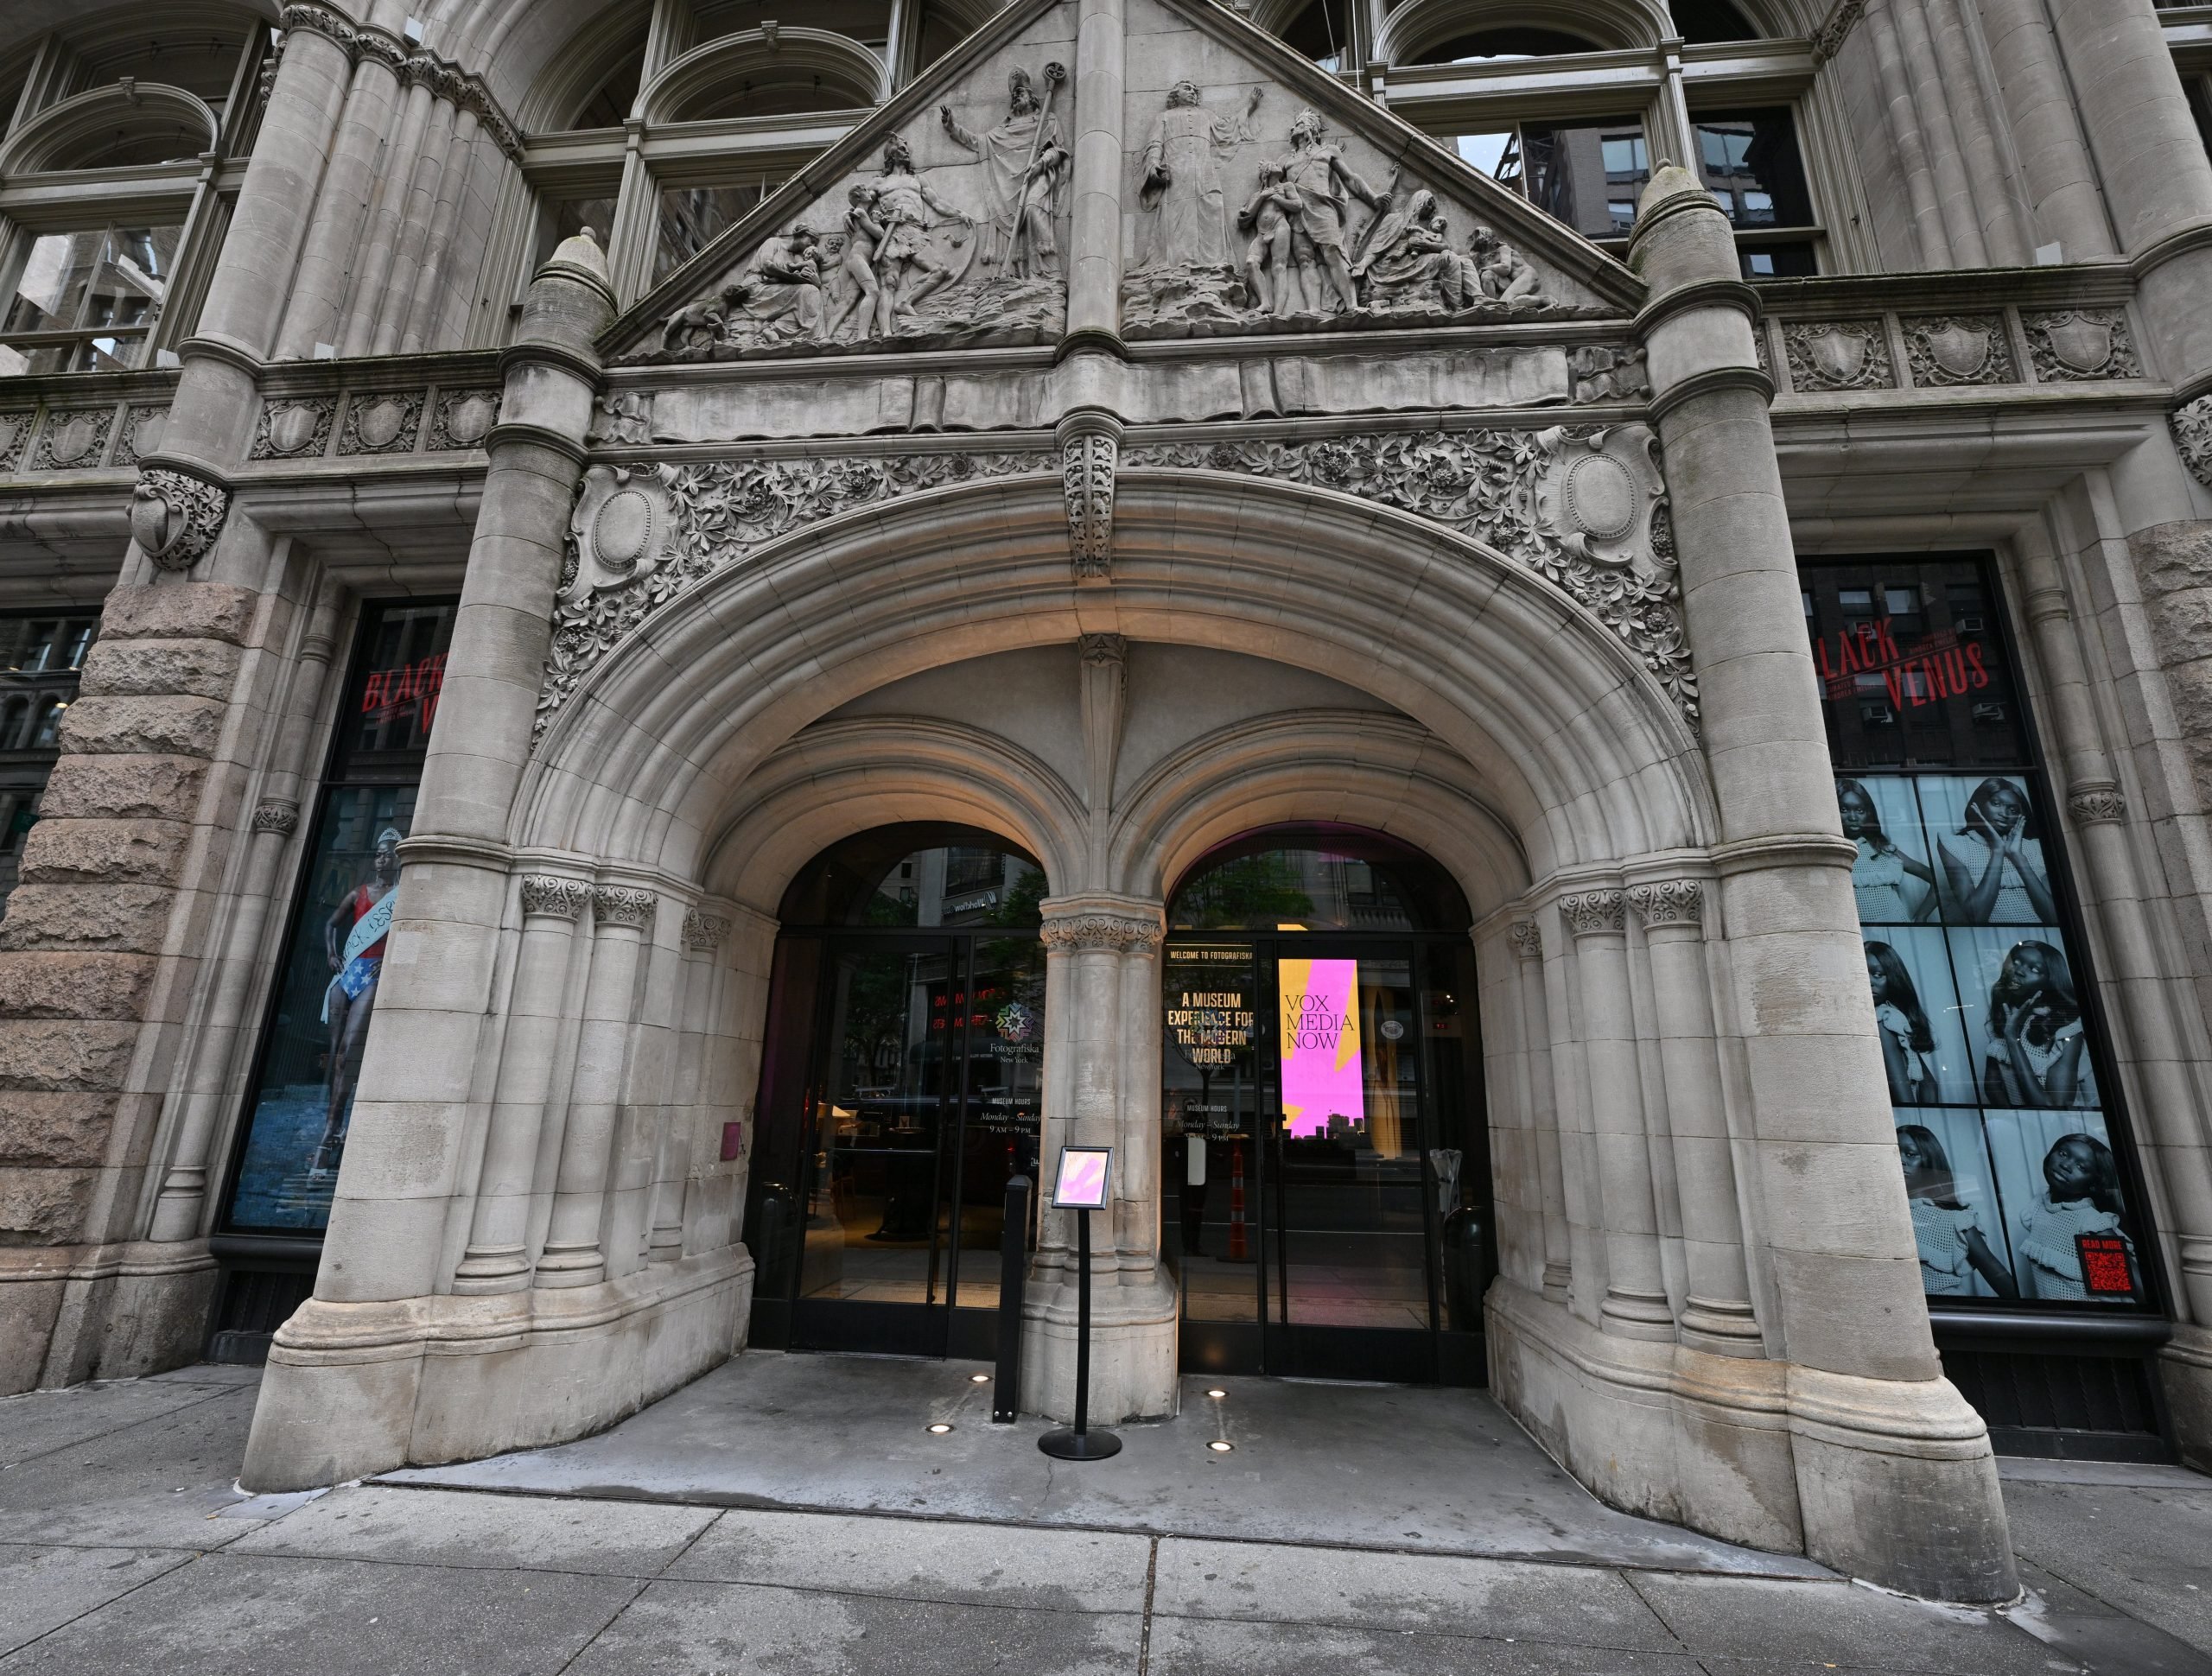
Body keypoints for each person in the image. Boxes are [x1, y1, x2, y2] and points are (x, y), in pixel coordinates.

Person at [315, 827, 402, 1171]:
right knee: (335, 1051)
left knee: (349, 1051)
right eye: (379, 853)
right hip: (349, 971)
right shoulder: (358, 892)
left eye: (389, 854)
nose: (383, 859)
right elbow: (330, 925)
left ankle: (336, 1125)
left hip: (373, 974)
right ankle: (330, 1122)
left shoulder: (401, 895)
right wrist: (331, 955)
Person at [940, 67, 1069, 278]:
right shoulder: (1004, 130)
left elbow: (1058, 150)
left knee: (1033, 208)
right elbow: (978, 141)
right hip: (1009, 185)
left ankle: (1048, 273)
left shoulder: (1048, 120)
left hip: (1038, 174)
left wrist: (1041, 164)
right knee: (1013, 218)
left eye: (1021, 93)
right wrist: (953, 128)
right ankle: (1018, 275)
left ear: (1032, 97)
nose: (1017, 97)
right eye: (1014, 95)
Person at [1269, 109, 1385, 313]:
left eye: (1298, 125)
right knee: (1305, 259)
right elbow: (1271, 186)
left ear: (1310, 128)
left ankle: (1352, 305)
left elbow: (1350, 178)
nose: (1292, 129)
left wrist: (1373, 198)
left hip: (1323, 207)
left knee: (1333, 253)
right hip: (1297, 211)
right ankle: (1313, 309)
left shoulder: (1328, 151)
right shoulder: (1284, 160)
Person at [869, 134, 973, 335]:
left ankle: (906, 302)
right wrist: (851, 213)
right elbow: (861, 202)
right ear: (891, 154)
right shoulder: (879, 182)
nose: (906, 152)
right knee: (889, 283)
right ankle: (886, 334)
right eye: (901, 149)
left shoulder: (918, 180)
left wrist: (959, 213)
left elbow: (937, 203)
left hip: (915, 230)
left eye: (907, 149)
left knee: (940, 269)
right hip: (891, 231)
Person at [1897, 1125, 2017, 1297]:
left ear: (1929, 1160)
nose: (1900, 1160)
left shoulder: (1956, 1221)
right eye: (1894, 1151)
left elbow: (2004, 1283)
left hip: (1946, 1318)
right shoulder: (1880, 1214)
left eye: (1910, 1154)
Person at [2012, 1133, 2134, 1300]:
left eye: (2082, 1167)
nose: (2066, 1165)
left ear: (2094, 1183)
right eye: (2063, 1154)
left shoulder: (2091, 1225)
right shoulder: (2039, 1208)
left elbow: (2120, 1298)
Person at [1981, 939, 2093, 1108]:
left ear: (2050, 981)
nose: (2019, 971)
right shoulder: (2003, 1014)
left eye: (2034, 969)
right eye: (2016, 962)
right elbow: (1993, 1086)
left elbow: (2055, 1106)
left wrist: (2013, 1039)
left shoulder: (2065, 1029)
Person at [1938, 776, 2056, 924]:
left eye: (2012, 810)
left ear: (2021, 816)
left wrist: (2018, 857)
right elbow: (1977, 917)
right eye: (1996, 804)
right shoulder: (1955, 845)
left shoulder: (2034, 847)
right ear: (1978, 804)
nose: (2004, 813)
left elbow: (2053, 918)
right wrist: (1998, 852)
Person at [1838, 778, 1936, 923]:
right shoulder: (1832, 851)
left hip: (1897, 927)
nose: (1853, 817)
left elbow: (1938, 880)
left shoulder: (1884, 851)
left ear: (1868, 813)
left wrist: (1921, 917)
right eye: (1844, 810)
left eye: (1860, 810)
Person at [1866, 940, 1940, 1104]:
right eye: (1861, 974)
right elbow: (1930, 1085)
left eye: (1878, 975)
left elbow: (1905, 1097)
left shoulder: (1883, 1019)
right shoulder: (1894, 1016)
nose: (1869, 982)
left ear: (1893, 978)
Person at [1236, 161, 1306, 315]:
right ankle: (1265, 303)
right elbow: (1246, 218)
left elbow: (1297, 204)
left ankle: (1278, 312)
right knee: (1251, 262)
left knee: (1279, 267)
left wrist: (1277, 198)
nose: (1277, 164)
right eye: (1273, 164)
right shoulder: (1257, 194)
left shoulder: (1287, 186)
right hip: (1261, 233)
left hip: (1280, 226)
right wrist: (1262, 197)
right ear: (1265, 172)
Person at [826, 184, 887, 343]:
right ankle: (862, 336)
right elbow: (879, 234)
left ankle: (826, 335)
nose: (870, 193)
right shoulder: (860, 212)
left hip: (859, 260)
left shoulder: (857, 213)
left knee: (849, 301)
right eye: (866, 191)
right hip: (858, 258)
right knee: (873, 292)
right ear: (858, 197)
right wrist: (877, 221)